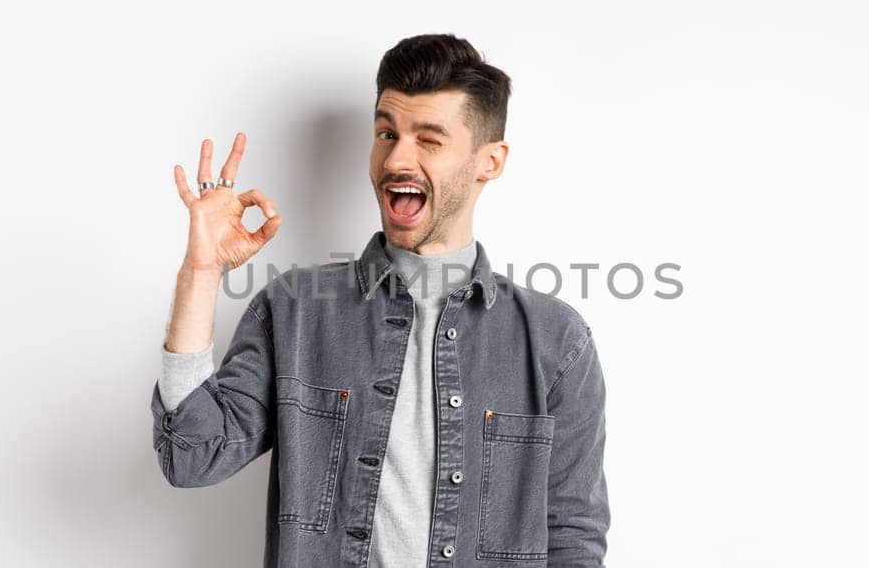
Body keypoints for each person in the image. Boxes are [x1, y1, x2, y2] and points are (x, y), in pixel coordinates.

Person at [151, 33, 609, 567]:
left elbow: (572, 535)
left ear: (489, 161)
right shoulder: (296, 310)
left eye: (429, 140)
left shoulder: (556, 340)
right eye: (386, 134)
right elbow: (190, 457)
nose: (397, 159)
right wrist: (200, 273)